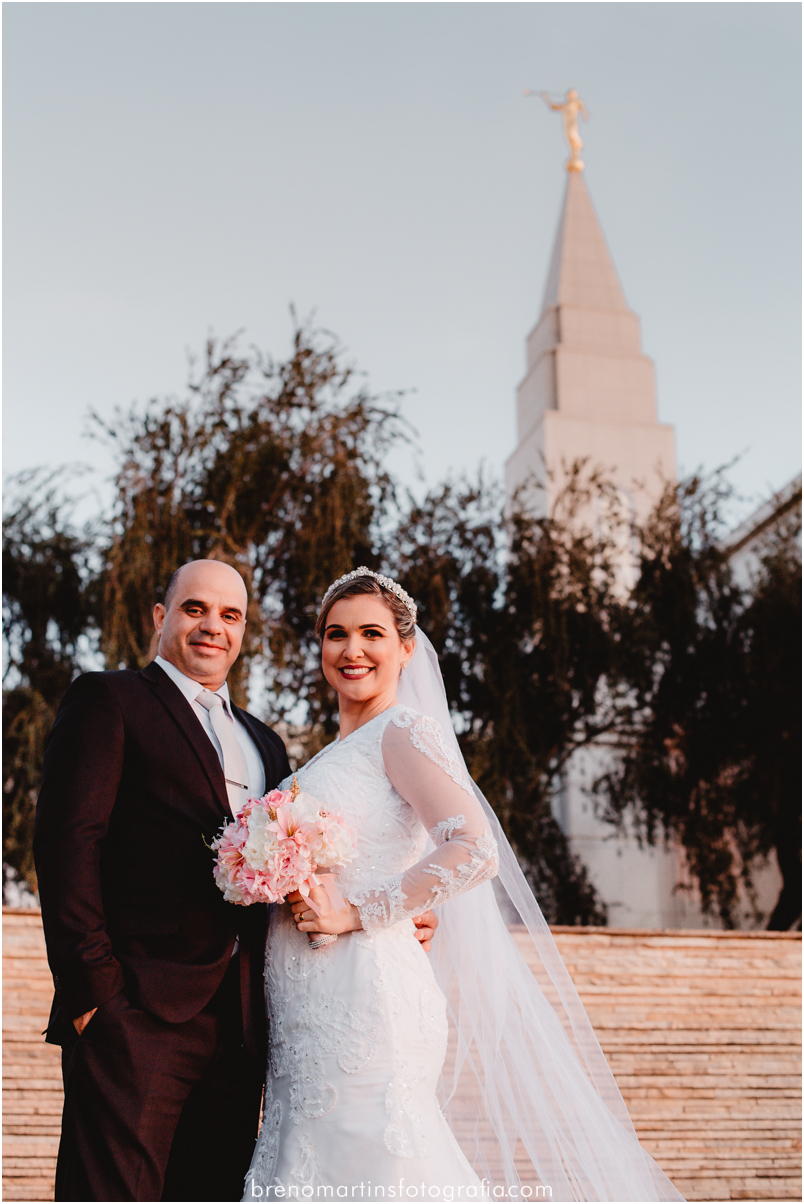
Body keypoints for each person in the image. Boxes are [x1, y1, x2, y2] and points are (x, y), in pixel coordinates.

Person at [244, 568, 685, 1203]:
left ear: (405, 648)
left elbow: (475, 850)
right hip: (305, 1009)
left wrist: (358, 913)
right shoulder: (327, 755)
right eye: (335, 635)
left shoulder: (400, 732)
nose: (351, 650)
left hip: (365, 997)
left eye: (372, 633)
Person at [33, 555, 441, 1202]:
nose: (211, 627)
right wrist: (93, 997)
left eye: (230, 615)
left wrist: (385, 910)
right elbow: (66, 843)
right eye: (194, 609)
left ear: (244, 630)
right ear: (162, 617)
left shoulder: (267, 744)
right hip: (134, 1012)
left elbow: (295, 865)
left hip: (245, 1028)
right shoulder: (111, 700)